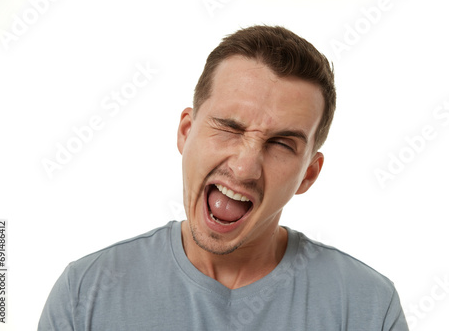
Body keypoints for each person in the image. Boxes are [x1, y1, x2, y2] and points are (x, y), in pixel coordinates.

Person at [38, 25, 409, 330]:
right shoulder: (84, 294)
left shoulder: (369, 308)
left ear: (308, 175)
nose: (244, 167)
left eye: (281, 143)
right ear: (186, 131)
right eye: (229, 128)